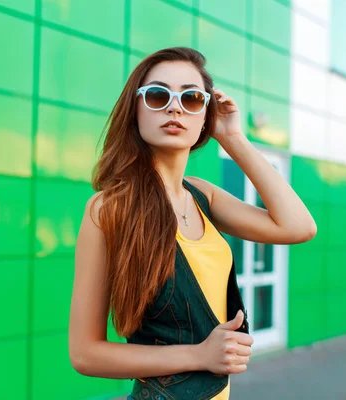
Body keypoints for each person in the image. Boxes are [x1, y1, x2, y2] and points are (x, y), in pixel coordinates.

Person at [69, 47, 317, 399]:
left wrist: (233, 139)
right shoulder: (109, 209)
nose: (175, 107)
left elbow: (298, 227)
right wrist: (199, 355)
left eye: (191, 97)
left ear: (205, 116)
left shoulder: (202, 195)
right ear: (135, 110)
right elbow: (85, 353)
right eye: (157, 95)